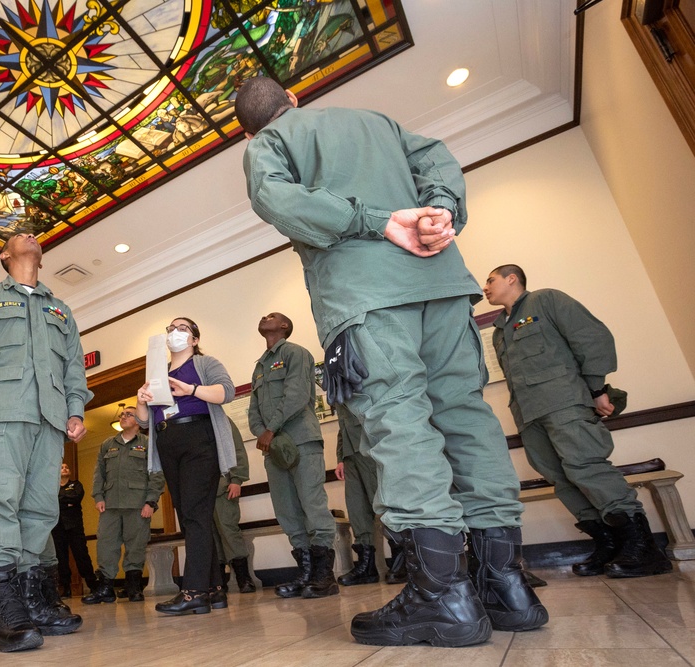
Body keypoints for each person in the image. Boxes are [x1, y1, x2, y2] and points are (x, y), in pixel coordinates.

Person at [236, 76, 547, 647]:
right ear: (295, 98)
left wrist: (372, 221)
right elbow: (440, 160)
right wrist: (440, 212)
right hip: (443, 286)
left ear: (250, 129)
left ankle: (442, 597)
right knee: (467, 417)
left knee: (399, 424)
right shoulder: (376, 121)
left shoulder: (267, 143)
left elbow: (276, 198)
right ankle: (505, 585)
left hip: (365, 297)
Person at [483, 264, 672, 578]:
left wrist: (597, 388)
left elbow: (591, 338)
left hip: (564, 404)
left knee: (586, 466)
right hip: (529, 416)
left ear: (511, 278)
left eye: (490, 280)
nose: (486, 287)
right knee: (562, 479)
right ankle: (608, 544)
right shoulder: (501, 329)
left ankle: (643, 548)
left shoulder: (546, 300)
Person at [0, 232, 92, 652]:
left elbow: (74, 371)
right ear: (4, 254)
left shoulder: (60, 309)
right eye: (18, 236)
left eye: (34, 236)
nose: (30, 234)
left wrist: (75, 409)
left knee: (39, 512)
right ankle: (2, 616)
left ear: (42, 258)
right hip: (2, 413)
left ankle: (32, 604)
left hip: (49, 422)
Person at [136, 317, 236, 615]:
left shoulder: (205, 363)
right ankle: (215, 589)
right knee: (193, 515)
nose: (174, 333)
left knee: (194, 514)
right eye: (170, 329)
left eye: (182, 328)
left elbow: (226, 392)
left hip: (198, 439)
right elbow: (144, 421)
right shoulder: (158, 371)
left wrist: (191, 390)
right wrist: (141, 401)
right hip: (168, 443)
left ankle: (193, 592)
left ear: (193, 339)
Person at [249, 312, 338, 599]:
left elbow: (297, 395)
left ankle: (325, 576)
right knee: (287, 510)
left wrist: (270, 429)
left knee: (312, 505)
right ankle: (305, 573)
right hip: (274, 448)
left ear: (285, 326)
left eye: (273, 316)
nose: (265, 317)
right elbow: (253, 410)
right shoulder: (260, 367)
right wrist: (262, 433)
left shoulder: (295, 353)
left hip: (300, 440)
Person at [82, 407, 165, 604]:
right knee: (106, 545)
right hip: (110, 504)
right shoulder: (108, 444)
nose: (123, 416)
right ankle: (105, 588)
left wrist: (151, 501)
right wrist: (98, 496)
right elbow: (98, 473)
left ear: (139, 419)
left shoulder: (148, 444)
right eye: (122, 414)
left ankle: (134, 587)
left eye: (128, 414)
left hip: (137, 505)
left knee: (135, 546)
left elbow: (156, 474)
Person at [333, 408, 380, 586]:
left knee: (384, 503)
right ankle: (366, 566)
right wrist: (340, 457)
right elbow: (342, 425)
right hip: (350, 452)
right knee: (357, 509)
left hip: (370, 447)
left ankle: (403, 560)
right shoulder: (339, 384)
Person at [213, 418, 255, 594]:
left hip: (222, 487)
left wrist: (237, 479)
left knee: (229, 531)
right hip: (200, 491)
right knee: (210, 536)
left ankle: (243, 578)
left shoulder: (221, 420)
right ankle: (218, 581)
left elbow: (237, 449)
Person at [52, 463, 99, 597]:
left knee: (82, 555)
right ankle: (65, 587)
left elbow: (76, 498)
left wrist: (61, 500)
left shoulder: (76, 485)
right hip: (57, 526)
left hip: (75, 526)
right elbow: (52, 500)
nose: (65, 468)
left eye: (67, 467)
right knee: (61, 557)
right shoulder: (52, 487)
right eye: (61, 467)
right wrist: (66, 501)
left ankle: (92, 584)